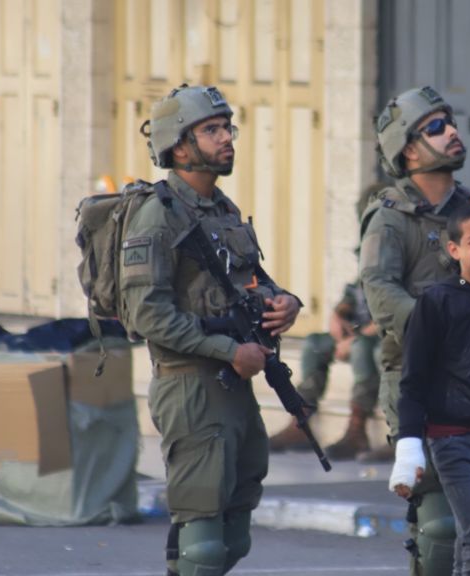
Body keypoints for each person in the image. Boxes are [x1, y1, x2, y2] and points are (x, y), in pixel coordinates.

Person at [121, 84, 301, 576]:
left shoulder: (222, 211)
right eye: (212, 129)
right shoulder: (156, 216)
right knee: (203, 546)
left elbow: (252, 282)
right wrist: (226, 348)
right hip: (190, 386)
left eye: (227, 128)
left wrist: (285, 304)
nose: (227, 138)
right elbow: (147, 315)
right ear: (179, 145)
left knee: (233, 538)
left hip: (236, 384)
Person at [360, 85, 470, 575]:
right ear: (408, 149)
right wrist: (442, 334)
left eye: (449, 122)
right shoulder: (390, 219)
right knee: (441, 529)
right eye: (435, 127)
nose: (452, 132)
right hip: (424, 384)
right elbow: (380, 291)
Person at [389, 204, 470, 576]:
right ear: (453, 249)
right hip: (452, 442)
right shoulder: (436, 301)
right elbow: (413, 380)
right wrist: (408, 447)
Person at [267, 282, 383, 460]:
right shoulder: (366, 262)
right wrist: (337, 316)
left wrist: (356, 339)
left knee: (361, 348)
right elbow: (351, 297)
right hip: (356, 335)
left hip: (380, 338)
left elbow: (389, 314)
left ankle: (357, 429)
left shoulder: (395, 262)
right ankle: (300, 422)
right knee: (315, 343)